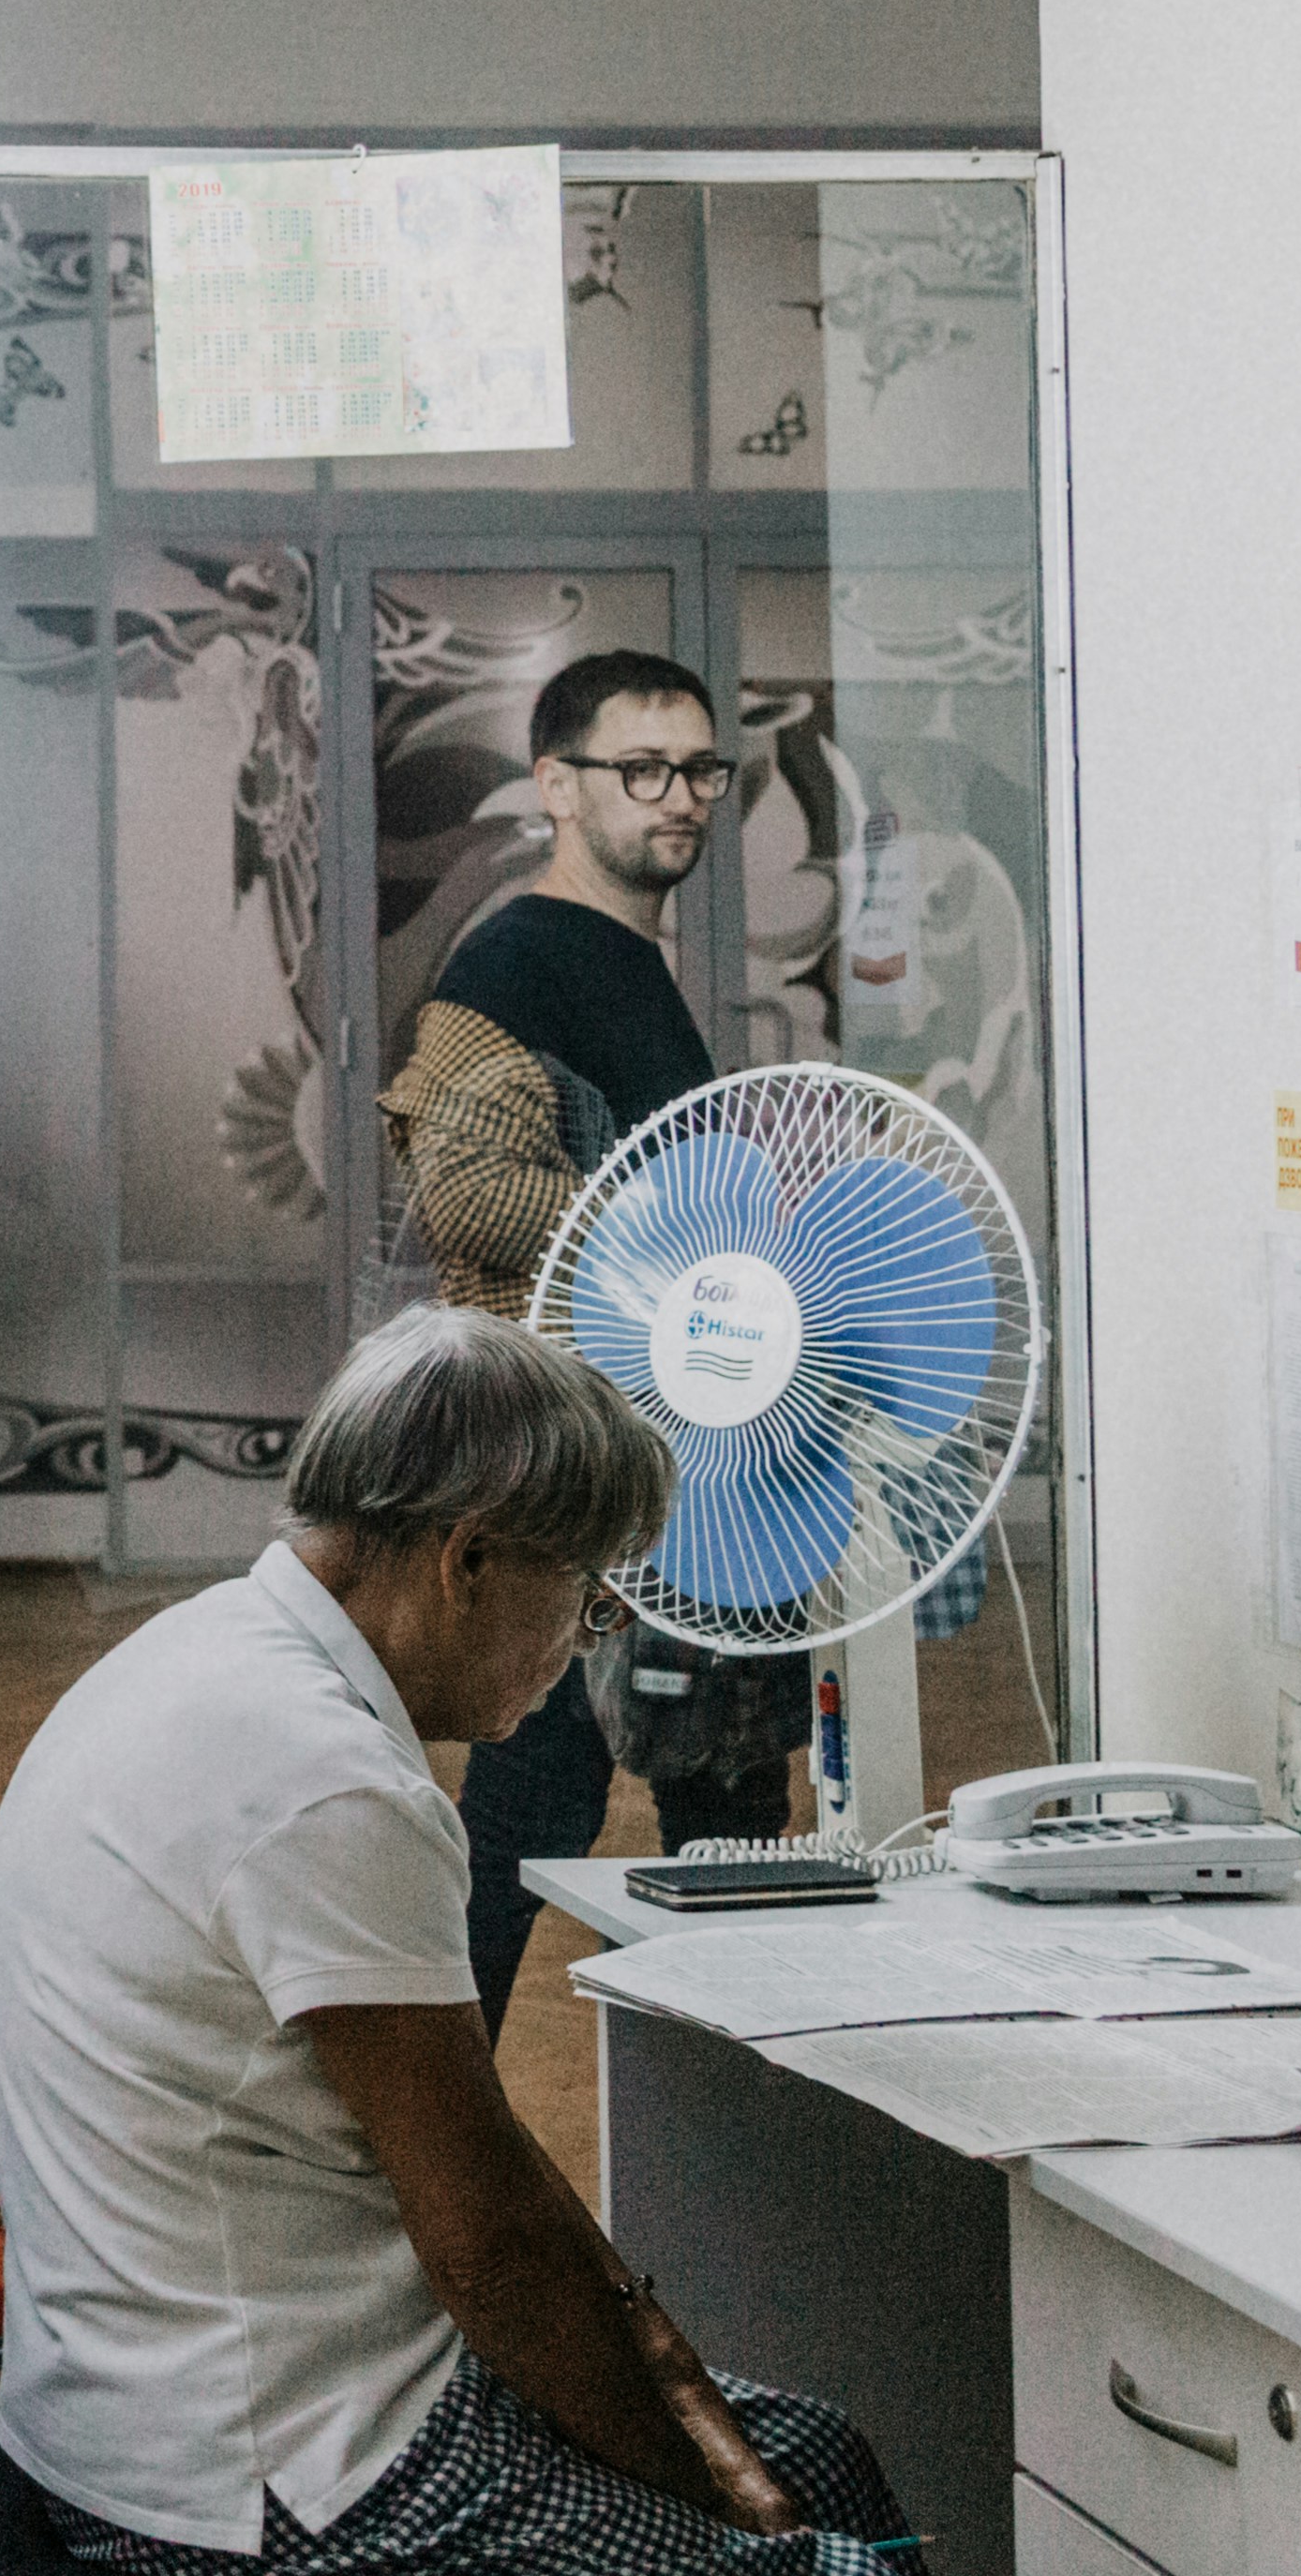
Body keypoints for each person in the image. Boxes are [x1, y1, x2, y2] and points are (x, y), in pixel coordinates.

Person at [0, 1306, 916, 2574]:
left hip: (145, 2399)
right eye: (582, 1598)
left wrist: (683, 2395)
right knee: (832, 2565)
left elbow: (486, 2168)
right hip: (269, 2474)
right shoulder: (329, 1781)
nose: (584, 1642)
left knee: (828, 2457)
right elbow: (488, 2244)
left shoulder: (192, 1660)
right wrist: (703, 2493)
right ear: (470, 1560)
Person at [374, 647, 805, 2034]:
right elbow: (470, 1189)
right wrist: (681, 1223)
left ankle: (745, 2136)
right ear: (556, 785)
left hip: (679, 1471)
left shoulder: (630, 961)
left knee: (719, 1816)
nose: (679, 799)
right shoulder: (515, 958)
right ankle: (434, 2142)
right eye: (643, 770)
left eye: (700, 771)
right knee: (530, 1813)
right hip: (565, 1466)